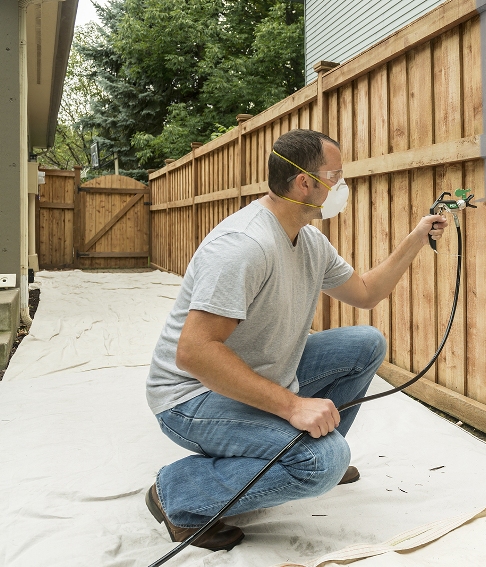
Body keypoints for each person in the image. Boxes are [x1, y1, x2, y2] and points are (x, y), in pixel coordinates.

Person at [144, 128, 448, 551]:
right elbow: (194, 353)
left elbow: (365, 293)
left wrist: (417, 239)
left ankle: (311, 446)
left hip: (255, 374)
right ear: (306, 182)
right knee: (321, 463)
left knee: (366, 343)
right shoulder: (243, 245)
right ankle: (179, 491)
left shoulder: (308, 240)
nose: (341, 186)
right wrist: (293, 406)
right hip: (191, 398)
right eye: (336, 175)